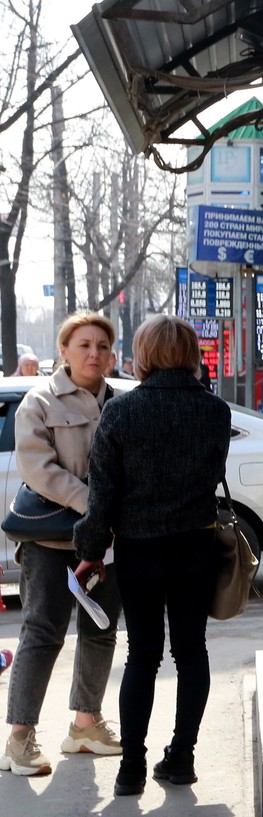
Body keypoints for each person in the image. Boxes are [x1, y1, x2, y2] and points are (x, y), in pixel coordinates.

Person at [74, 314, 231, 797]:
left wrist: (90, 551)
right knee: (191, 652)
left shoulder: (121, 413)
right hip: (195, 546)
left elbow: (103, 496)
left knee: (142, 656)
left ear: (144, 355)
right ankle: (181, 758)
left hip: (140, 550)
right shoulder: (215, 411)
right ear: (188, 354)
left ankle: (131, 769)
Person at [2, 312, 123, 777]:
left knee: (101, 630)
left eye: (103, 347)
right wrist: (94, 505)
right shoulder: (38, 402)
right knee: (42, 633)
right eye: (85, 345)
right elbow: (39, 470)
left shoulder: (119, 402)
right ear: (65, 352)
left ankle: (84, 727)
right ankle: (18, 739)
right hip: (53, 544)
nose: (95, 354)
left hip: (108, 544)